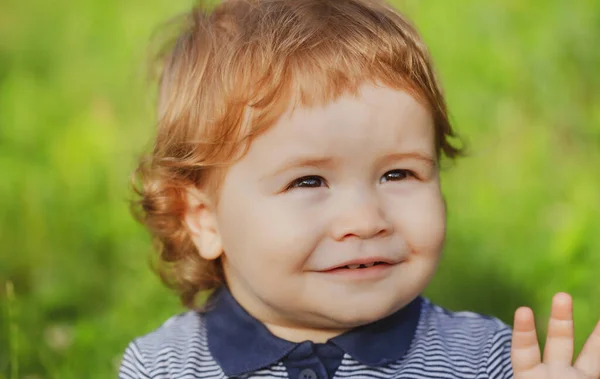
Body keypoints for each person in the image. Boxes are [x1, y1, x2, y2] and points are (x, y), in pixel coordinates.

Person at [118, 0, 600, 378]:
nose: (366, 220)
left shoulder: (485, 362)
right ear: (204, 219)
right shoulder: (163, 367)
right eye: (308, 180)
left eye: (398, 174)